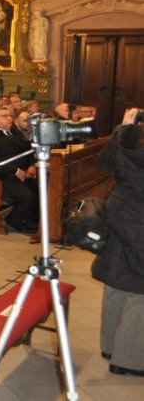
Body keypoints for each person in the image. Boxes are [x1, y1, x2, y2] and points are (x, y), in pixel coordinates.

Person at [91, 108, 144, 376]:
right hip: (139, 218)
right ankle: (130, 359)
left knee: (118, 276)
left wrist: (121, 128)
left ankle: (110, 346)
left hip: (119, 210)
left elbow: (104, 164)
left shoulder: (126, 138)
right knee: (140, 288)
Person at [0, 107, 38, 233]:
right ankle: (13, 222)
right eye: (4, 116)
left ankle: (31, 221)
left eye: (10, 116)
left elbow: (28, 152)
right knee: (27, 196)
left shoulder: (15, 132)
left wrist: (31, 166)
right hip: (5, 174)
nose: (9, 118)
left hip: (24, 171)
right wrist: (16, 171)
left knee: (42, 188)